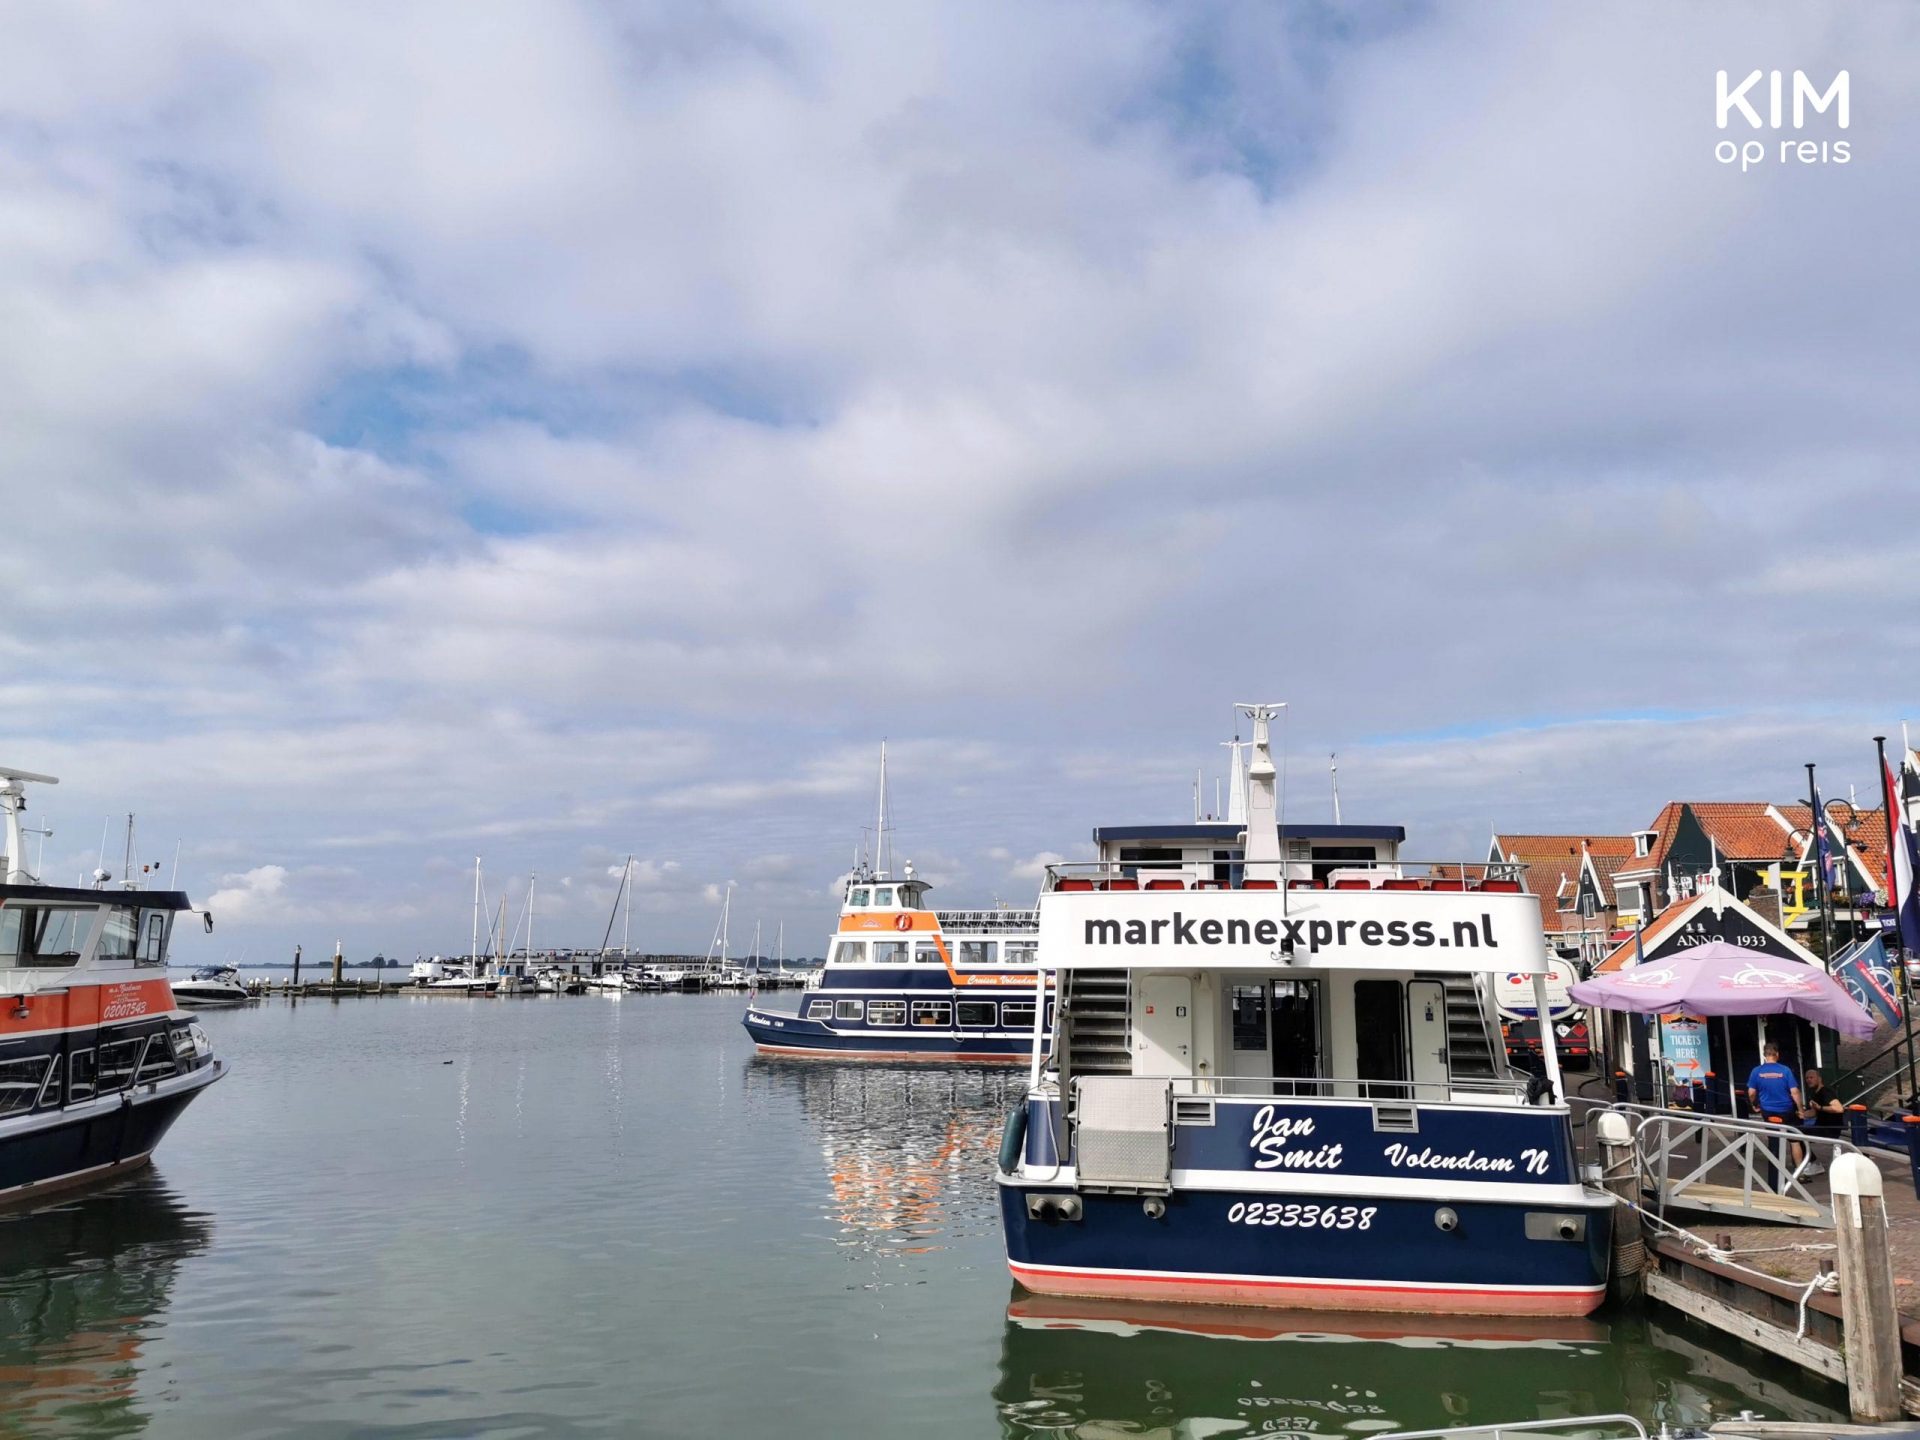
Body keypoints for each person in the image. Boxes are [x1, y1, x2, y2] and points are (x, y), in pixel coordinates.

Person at [1748, 1043, 1808, 1173]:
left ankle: (1775, 1171)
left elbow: (1751, 1093)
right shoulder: (1785, 1070)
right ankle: (1800, 1172)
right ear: (1777, 1055)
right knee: (1794, 1140)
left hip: (1768, 1111)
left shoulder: (1756, 1071)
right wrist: (1800, 1110)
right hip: (1786, 1110)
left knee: (1773, 1138)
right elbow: (1795, 1092)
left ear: (1764, 1055)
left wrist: (1754, 1105)